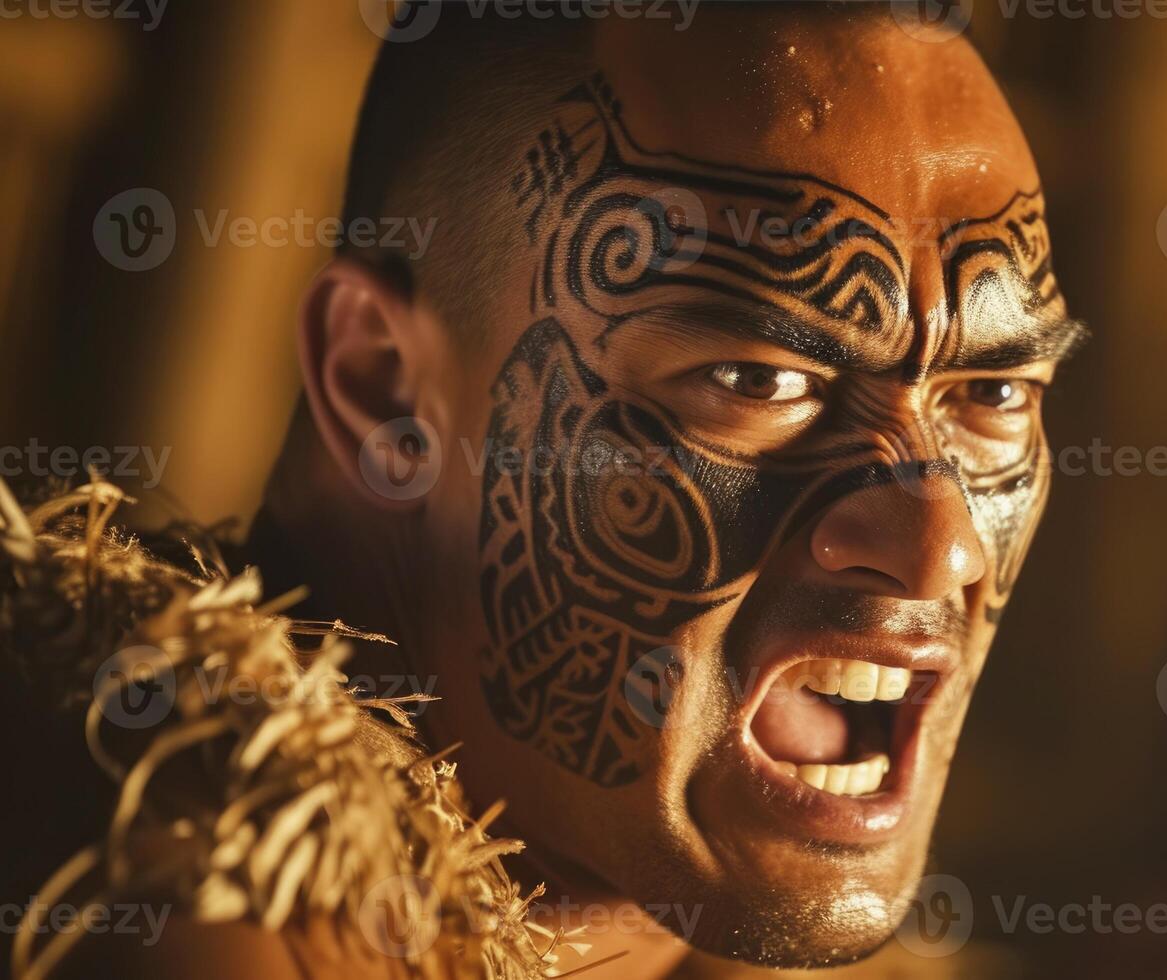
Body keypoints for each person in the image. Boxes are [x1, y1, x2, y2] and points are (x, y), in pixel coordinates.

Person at [11, 3, 1085, 976]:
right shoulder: (163, 896)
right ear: (384, 388)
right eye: (756, 379)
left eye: (993, 390)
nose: (942, 543)